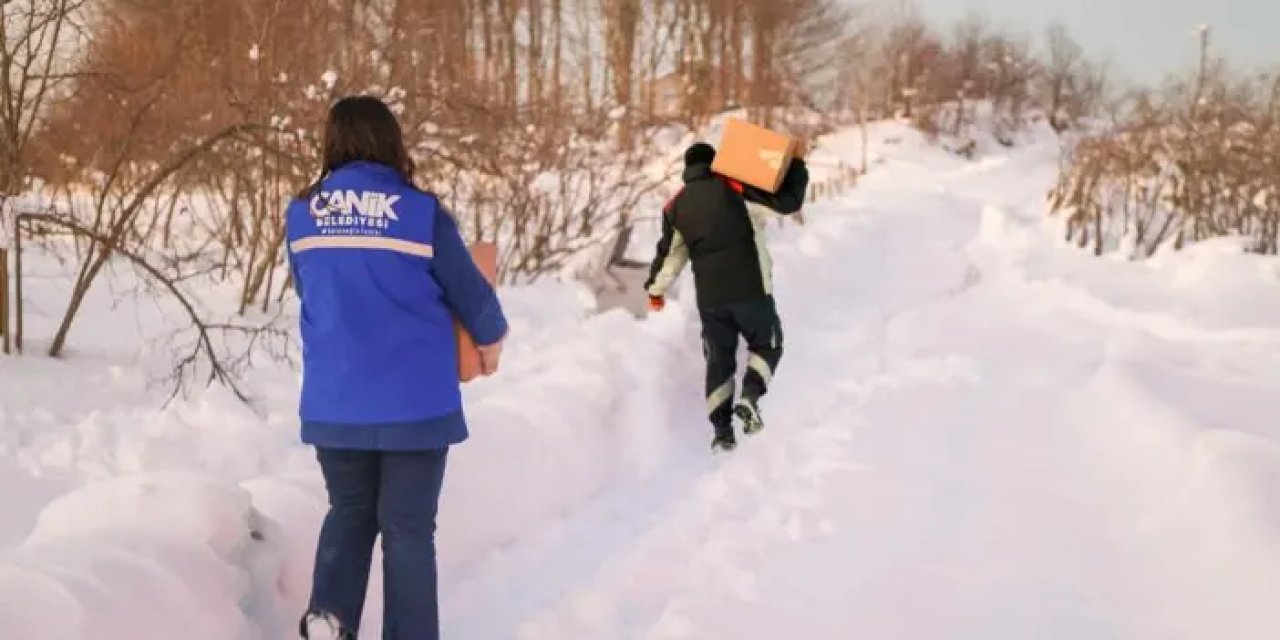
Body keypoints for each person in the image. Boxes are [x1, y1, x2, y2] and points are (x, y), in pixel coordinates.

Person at [285, 95, 509, 640]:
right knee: (407, 529)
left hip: (336, 402)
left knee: (349, 509)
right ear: (391, 142)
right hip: (415, 404)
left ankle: (330, 616)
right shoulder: (420, 214)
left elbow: (309, 287)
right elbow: (473, 298)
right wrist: (492, 339)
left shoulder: (301, 216)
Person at [644, 142, 809, 452]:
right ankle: (750, 396)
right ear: (715, 163)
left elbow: (670, 256)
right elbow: (788, 203)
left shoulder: (675, 207)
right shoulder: (734, 186)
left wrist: (656, 291)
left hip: (711, 301)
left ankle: (722, 432)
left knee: (719, 360)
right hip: (751, 290)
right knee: (768, 343)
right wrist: (797, 165)